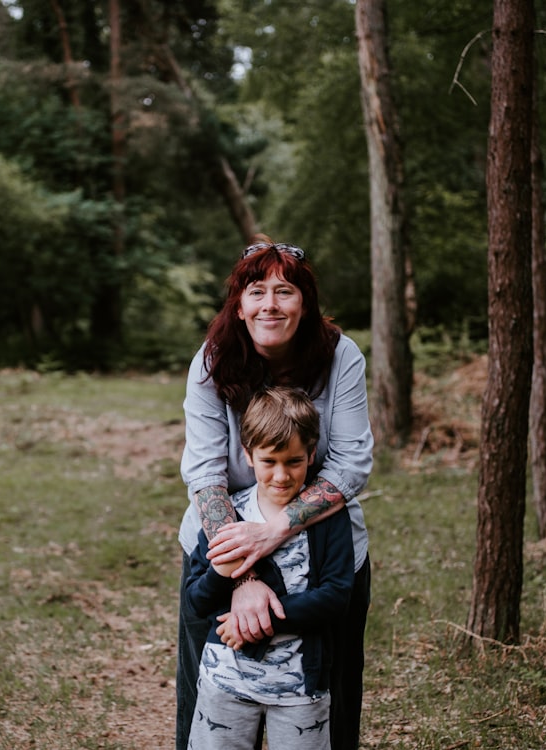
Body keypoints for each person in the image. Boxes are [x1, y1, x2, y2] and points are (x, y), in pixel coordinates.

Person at [177, 236, 374, 750]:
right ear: (238, 305)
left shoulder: (340, 356)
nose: (270, 304)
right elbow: (205, 471)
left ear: (304, 303)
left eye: (284, 291)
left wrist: (277, 531)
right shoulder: (212, 360)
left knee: (329, 701)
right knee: (208, 701)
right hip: (220, 551)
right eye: (256, 291)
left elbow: (351, 462)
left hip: (323, 547)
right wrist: (240, 573)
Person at [184, 386, 354, 750]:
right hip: (225, 682)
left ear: (311, 455)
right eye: (269, 461)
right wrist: (223, 571)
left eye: (294, 461)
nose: (281, 475)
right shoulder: (227, 515)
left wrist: (259, 622)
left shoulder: (329, 520)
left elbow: (336, 596)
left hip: (300, 690)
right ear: (247, 455)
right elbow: (196, 601)